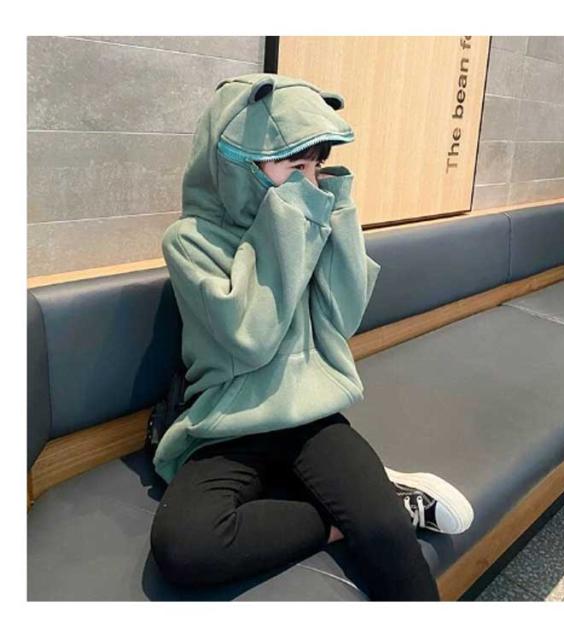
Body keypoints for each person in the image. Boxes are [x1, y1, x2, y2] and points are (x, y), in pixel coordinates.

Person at [149, 72, 446, 601]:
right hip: (229, 423)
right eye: (294, 166)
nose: (310, 183)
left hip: (311, 416)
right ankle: (342, 517)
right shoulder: (190, 242)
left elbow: (343, 316)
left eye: (316, 167)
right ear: (238, 164)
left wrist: (336, 215)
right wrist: (288, 220)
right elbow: (250, 336)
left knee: (386, 534)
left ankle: (386, 504)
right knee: (185, 546)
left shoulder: (308, 215)